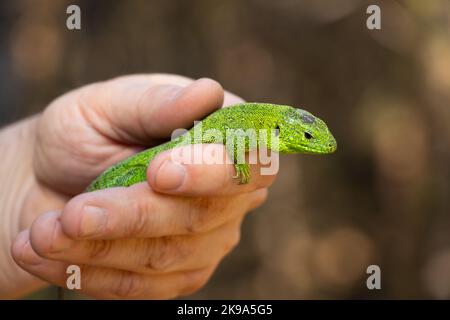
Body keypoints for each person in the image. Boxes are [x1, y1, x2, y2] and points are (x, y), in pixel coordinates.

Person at [0, 74, 275, 299]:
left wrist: (21, 176)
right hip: (136, 167)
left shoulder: (261, 127)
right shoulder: (257, 127)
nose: (318, 146)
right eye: (309, 137)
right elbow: (236, 141)